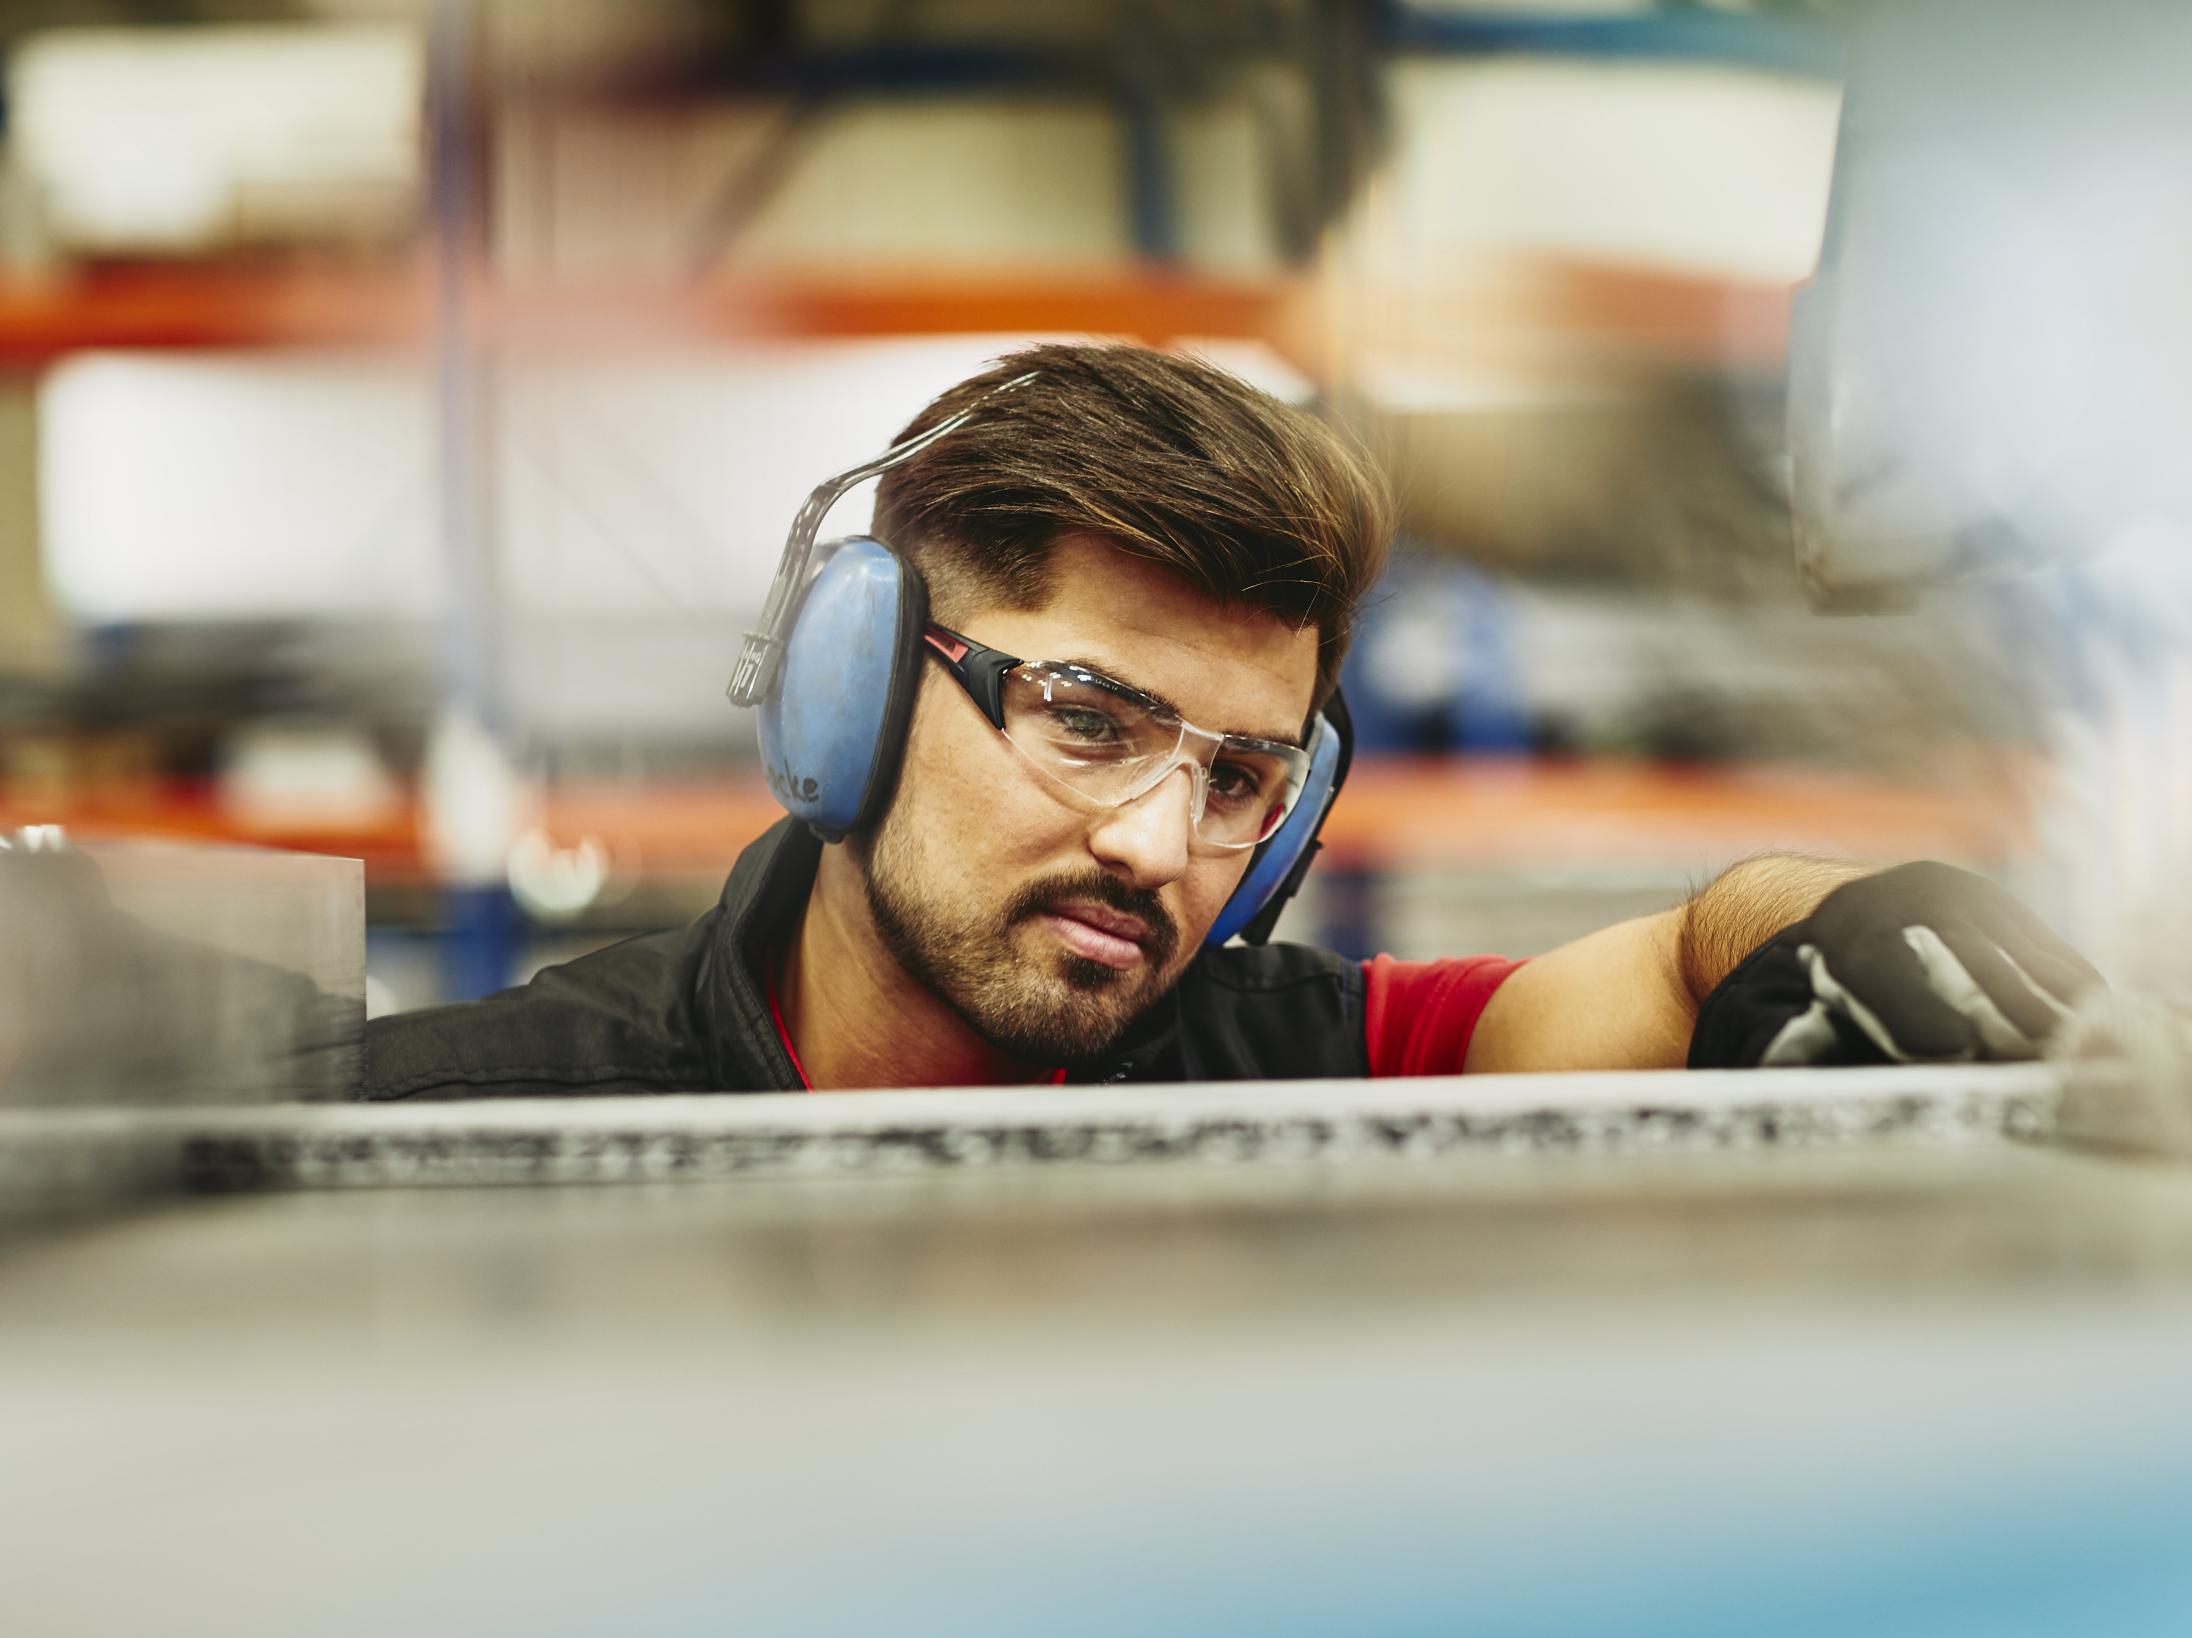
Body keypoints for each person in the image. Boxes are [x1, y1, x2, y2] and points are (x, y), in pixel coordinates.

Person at [364, 343, 2098, 1101]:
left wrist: (1851, 925)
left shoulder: (1273, 1061)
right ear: (858, 685)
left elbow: (1681, 965)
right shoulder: (462, 1142)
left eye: (1243, 777)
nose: (1155, 847)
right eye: (1089, 719)